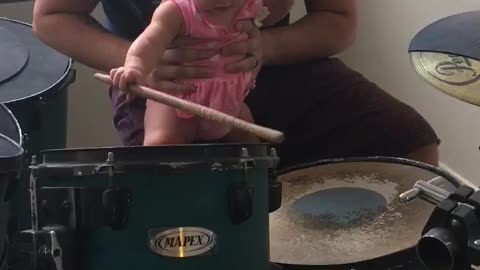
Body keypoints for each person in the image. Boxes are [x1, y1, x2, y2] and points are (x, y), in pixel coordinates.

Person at [31, 0, 440, 170]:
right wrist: (139, 61)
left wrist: (266, 45)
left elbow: (338, 19)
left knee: (410, 142)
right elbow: (52, 16)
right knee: (176, 194)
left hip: (277, 64)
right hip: (164, 85)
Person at [110, 0, 282, 145]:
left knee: (251, 147)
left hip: (228, 101)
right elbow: (149, 42)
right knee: (161, 144)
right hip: (177, 99)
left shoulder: (246, 6)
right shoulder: (176, 11)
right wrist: (135, 67)